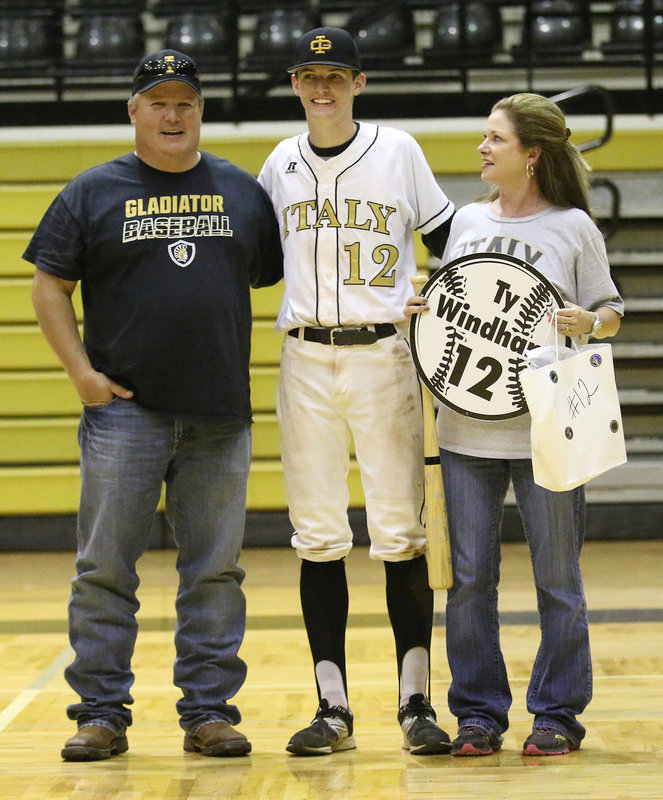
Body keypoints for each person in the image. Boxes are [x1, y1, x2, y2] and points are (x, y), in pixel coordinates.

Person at [24, 50, 283, 761]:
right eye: (159, 102)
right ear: (133, 111)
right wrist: (80, 372)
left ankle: (208, 713)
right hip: (124, 416)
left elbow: (274, 277)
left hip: (219, 417)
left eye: (186, 102)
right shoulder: (91, 191)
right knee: (105, 569)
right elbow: (49, 286)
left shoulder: (241, 191)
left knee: (214, 573)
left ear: (200, 111)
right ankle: (100, 714)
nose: (173, 114)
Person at [258, 27, 455, 757]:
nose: (321, 88)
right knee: (317, 537)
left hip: (383, 357)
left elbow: (449, 234)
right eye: (309, 76)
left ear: (358, 83)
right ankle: (331, 708)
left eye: (335, 76)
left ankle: (414, 704)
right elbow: (249, 259)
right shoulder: (277, 163)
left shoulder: (398, 150)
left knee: (400, 535)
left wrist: (446, 295)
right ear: (293, 83)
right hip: (304, 358)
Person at [407, 92, 623, 757]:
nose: (481, 147)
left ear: (530, 154)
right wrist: (423, 307)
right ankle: (477, 715)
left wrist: (587, 324)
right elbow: (455, 310)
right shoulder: (467, 222)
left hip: (547, 428)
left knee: (556, 579)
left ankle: (556, 713)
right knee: (470, 580)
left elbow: (610, 310)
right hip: (465, 431)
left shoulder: (573, 228)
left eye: (493, 138)